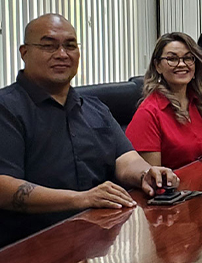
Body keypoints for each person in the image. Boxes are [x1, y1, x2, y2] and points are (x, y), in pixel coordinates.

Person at [0, 14, 177, 248]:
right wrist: (82, 199)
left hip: (100, 239)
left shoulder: (95, 107)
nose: (62, 54)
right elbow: (4, 186)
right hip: (32, 248)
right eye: (49, 45)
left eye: (70, 45)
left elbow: (125, 159)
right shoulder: (7, 108)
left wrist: (147, 174)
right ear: (24, 52)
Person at [127, 32, 202, 170]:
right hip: (176, 190)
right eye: (172, 59)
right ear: (157, 66)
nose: (182, 64)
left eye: (188, 58)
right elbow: (154, 178)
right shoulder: (148, 113)